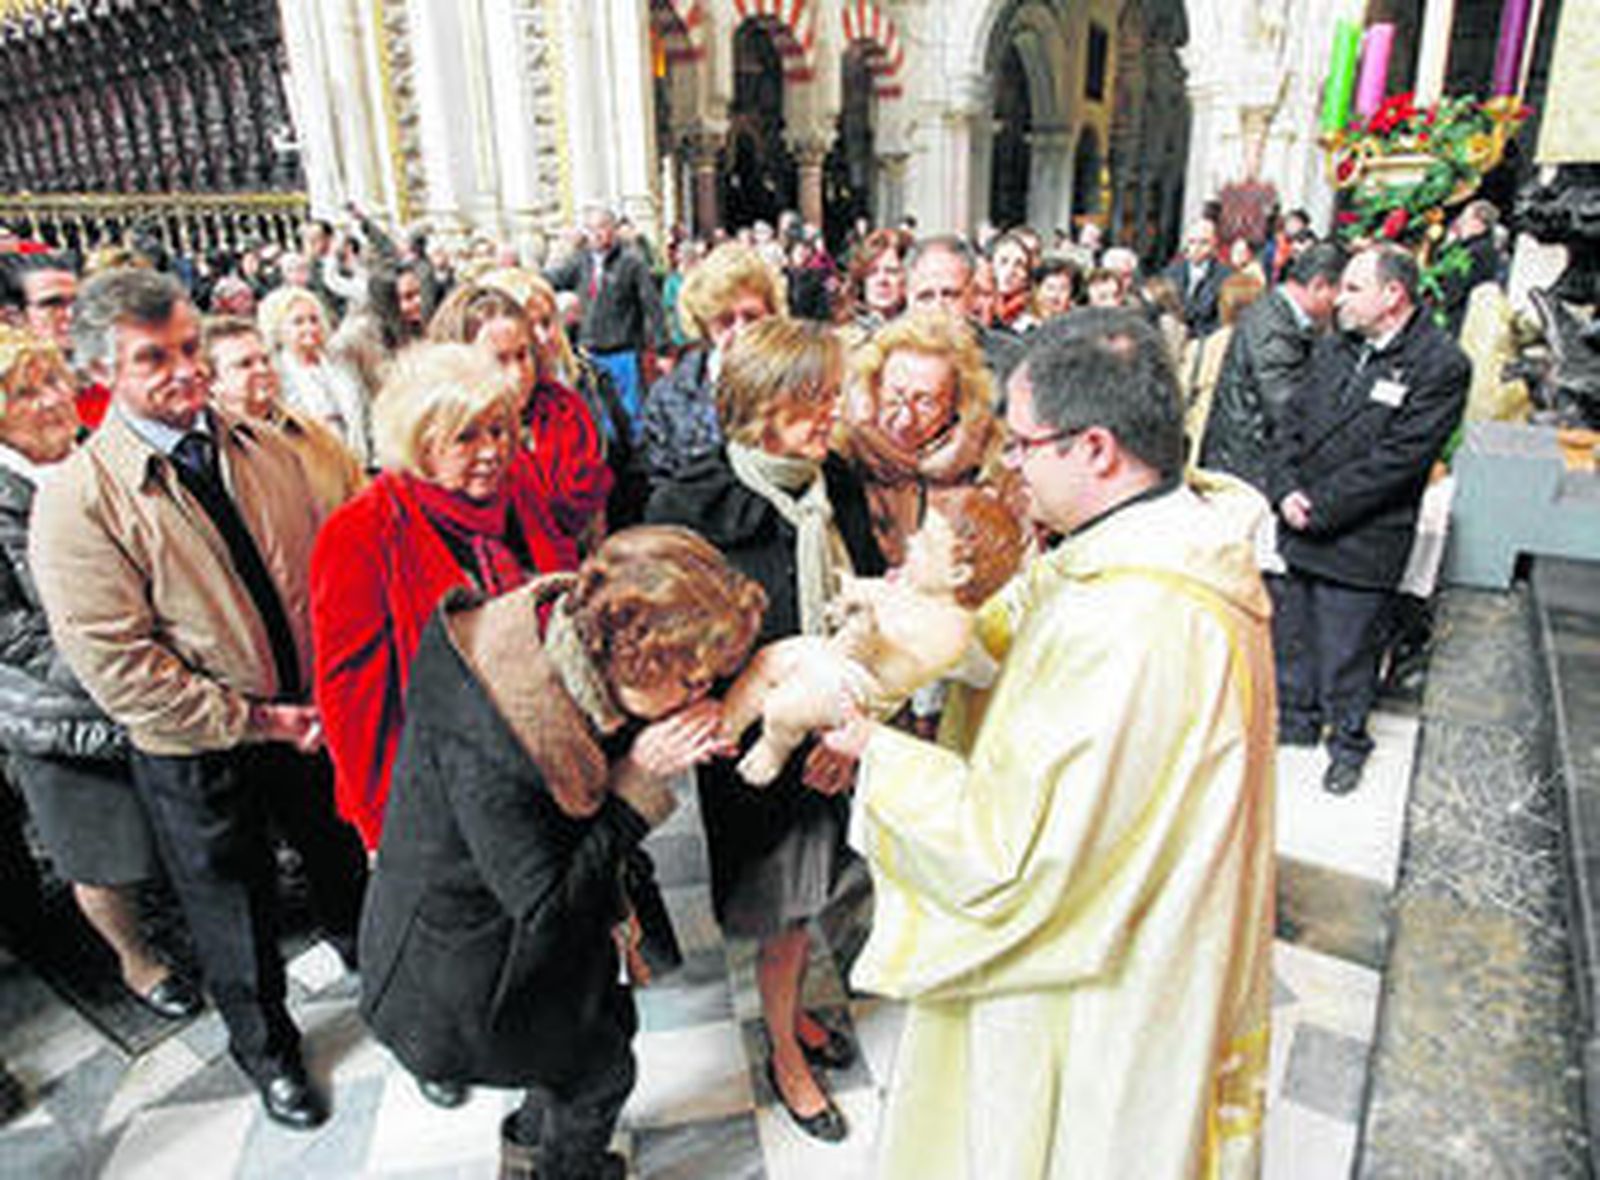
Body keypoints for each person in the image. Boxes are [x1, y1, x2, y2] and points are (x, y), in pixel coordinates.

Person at [824, 307, 1276, 1179]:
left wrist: (876, 753)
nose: (1012, 464)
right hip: (1154, 922)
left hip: (1109, 970)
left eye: (1025, 444)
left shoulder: (1136, 620)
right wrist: (936, 636)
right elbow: (1020, 632)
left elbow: (1019, 853)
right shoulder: (1157, 542)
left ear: (1096, 449)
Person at [29, 269, 368, 1130]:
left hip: (306, 719)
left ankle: (392, 990)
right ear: (101, 371)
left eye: (189, 347)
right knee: (234, 913)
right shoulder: (79, 500)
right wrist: (256, 719)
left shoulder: (263, 446)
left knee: (342, 866)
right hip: (200, 750)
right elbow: (120, 666)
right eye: (154, 358)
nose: (186, 370)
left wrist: (324, 691)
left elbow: (318, 573)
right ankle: (270, 1055)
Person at [360, 527, 763, 1179]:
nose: (700, 694)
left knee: (601, 1034)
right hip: (467, 980)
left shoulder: (563, 637)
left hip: (513, 947)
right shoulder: (493, 740)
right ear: (635, 661)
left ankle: (526, 1153)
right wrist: (639, 779)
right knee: (601, 1074)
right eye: (691, 680)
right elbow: (548, 903)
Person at [647, 317, 886, 1143]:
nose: (831, 413)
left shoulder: (836, 482)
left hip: (835, 729)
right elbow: (667, 642)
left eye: (832, 395)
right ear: (755, 405)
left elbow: (870, 604)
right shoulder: (692, 503)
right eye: (810, 399)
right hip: (749, 746)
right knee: (780, 910)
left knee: (817, 895)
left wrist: (848, 729)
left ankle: (793, 1019)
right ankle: (785, 1052)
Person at [0, 326, 203, 1022]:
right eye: (25, 393)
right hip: (56, 701)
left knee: (178, 815)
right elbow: (11, 631)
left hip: (150, 668)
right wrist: (105, 664)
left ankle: (194, 919)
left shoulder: (99, 455)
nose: (52, 401)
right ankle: (137, 962)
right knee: (100, 848)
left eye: (53, 382)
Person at [311, 343, 575, 854]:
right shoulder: (361, 532)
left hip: (552, 768)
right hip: (443, 801)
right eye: (466, 437)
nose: (492, 451)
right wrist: (385, 833)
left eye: (498, 430)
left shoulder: (519, 488)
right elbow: (354, 703)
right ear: (420, 444)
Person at [1271, 246, 1469, 795]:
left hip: (1361, 536)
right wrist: (1284, 489)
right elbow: (1291, 422)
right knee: (1294, 640)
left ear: (1393, 295)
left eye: (1354, 288)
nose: (1339, 298)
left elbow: (1398, 462)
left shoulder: (1440, 364)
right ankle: (1297, 722)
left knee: (1348, 651)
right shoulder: (1335, 345)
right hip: (1299, 517)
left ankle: (1347, 743)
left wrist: (1318, 506)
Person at [429, 284, 612, 552]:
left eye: (522, 355)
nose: (518, 374)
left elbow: (595, 523)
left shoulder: (566, 412)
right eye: (499, 360)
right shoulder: (445, 444)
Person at [842, 309, 1011, 566]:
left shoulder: (988, 469)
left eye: (926, 403)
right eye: (895, 396)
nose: (905, 419)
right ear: (874, 386)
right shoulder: (840, 460)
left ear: (956, 405)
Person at [1200, 241, 1346, 497]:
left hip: (1250, 464)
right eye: (1342, 291)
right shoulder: (1272, 326)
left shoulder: (1285, 318)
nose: (1342, 303)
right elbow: (1285, 405)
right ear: (1319, 286)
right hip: (1247, 471)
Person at [638, 243, 780, 483]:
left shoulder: (798, 385)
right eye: (726, 320)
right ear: (705, 325)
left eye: (752, 317)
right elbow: (659, 482)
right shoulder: (669, 396)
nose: (741, 331)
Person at [202, 316, 365, 515]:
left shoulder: (312, 433)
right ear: (212, 382)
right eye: (245, 364)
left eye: (265, 360)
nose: (262, 369)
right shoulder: (210, 453)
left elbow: (357, 489)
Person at [546, 205, 668, 435]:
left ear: (613, 230)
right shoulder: (580, 261)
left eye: (602, 227)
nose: (597, 234)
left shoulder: (632, 262)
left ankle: (634, 451)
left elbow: (652, 305)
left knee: (630, 413)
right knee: (598, 414)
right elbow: (553, 280)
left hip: (623, 351)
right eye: (591, 229)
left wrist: (662, 348)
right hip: (590, 352)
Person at [258, 285, 374, 469]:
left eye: (314, 319)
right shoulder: (275, 374)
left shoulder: (342, 364)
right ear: (279, 329)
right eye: (298, 322)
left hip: (355, 461)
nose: (310, 327)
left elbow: (364, 413)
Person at [905, 236, 1026, 385]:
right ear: (908, 298)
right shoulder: (883, 357)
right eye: (925, 297)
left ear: (973, 295)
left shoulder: (1012, 361)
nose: (938, 308)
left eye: (950, 295)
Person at [1165, 217, 1233, 338]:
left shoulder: (1225, 276)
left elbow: (1223, 320)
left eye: (1204, 242)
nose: (1196, 248)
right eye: (1192, 241)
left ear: (1214, 243)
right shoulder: (1171, 273)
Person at [842, 227, 913, 334]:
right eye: (872, 272)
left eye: (891, 271)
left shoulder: (918, 333)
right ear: (862, 281)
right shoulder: (843, 337)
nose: (882, 280)